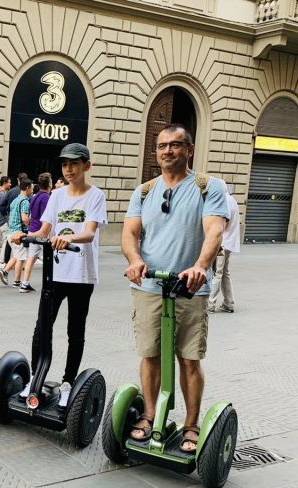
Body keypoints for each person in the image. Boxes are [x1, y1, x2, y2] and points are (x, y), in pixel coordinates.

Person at [122, 124, 229, 453]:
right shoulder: (144, 191)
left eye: (175, 145)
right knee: (150, 355)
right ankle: (152, 416)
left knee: (188, 360)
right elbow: (129, 234)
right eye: (162, 146)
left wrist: (200, 265)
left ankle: (192, 423)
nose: (167, 151)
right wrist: (135, 259)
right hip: (150, 286)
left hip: (189, 289)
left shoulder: (207, 187)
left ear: (189, 150)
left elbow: (214, 231)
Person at [11, 143, 107, 407]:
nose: (69, 169)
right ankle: (35, 378)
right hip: (56, 273)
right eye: (65, 164)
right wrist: (25, 235)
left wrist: (67, 238)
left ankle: (67, 382)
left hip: (82, 274)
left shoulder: (95, 196)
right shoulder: (57, 195)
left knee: (75, 331)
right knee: (42, 327)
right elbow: (44, 230)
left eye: (74, 164)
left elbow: (89, 233)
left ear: (86, 166)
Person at [208, 183, 241, 312]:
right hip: (229, 243)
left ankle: (210, 304)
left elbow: (223, 224)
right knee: (224, 273)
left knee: (217, 273)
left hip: (222, 243)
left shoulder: (225, 201)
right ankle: (229, 303)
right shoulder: (232, 200)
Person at [19, 172, 53, 292]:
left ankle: (24, 283)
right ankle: (52, 283)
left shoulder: (34, 196)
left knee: (31, 258)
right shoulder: (46, 198)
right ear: (49, 183)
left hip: (32, 228)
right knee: (51, 258)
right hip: (41, 232)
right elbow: (46, 217)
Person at [0, 178, 32, 289]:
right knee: (21, 258)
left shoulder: (16, 200)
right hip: (19, 233)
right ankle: (17, 281)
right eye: (31, 188)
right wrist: (31, 224)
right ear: (27, 188)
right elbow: (24, 219)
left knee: (17, 255)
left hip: (11, 231)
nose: (32, 190)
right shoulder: (25, 201)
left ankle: (5, 271)